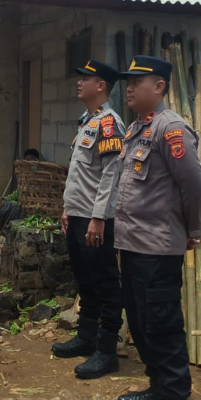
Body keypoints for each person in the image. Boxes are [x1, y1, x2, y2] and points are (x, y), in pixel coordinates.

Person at [113, 55, 201, 400]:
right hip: (133, 244)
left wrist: (194, 229)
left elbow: (194, 186)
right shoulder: (139, 127)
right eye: (127, 83)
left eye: (138, 82)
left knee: (163, 327)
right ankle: (157, 389)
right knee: (140, 322)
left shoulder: (171, 130)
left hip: (157, 247)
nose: (129, 89)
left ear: (161, 87)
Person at [52, 59, 126, 380]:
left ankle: (107, 350)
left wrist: (98, 218)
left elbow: (111, 173)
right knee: (85, 280)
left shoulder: (110, 123)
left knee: (106, 283)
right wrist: (69, 209)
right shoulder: (88, 121)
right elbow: (82, 174)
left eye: (87, 78)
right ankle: (86, 337)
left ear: (102, 86)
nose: (79, 82)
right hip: (79, 217)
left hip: (97, 221)